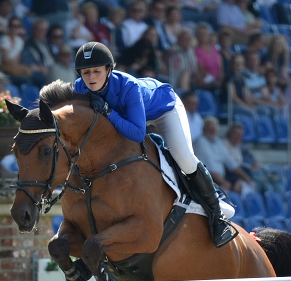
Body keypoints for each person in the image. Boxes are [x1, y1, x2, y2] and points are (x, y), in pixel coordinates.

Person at [73, 41, 237, 247]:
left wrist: (108, 111)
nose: (91, 78)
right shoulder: (79, 89)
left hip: (163, 109)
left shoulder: (128, 87)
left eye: (97, 71)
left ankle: (217, 215)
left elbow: (137, 132)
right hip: (133, 117)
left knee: (183, 157)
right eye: (86, 72)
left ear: (109, 69)